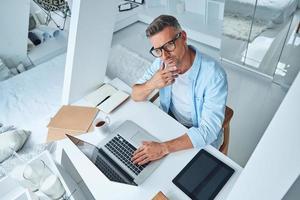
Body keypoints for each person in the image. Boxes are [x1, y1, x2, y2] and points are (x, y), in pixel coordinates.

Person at [131, 15, 228, 166]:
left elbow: (208, 131)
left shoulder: (214, 75)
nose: (164, 56)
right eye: (158, 50)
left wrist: (163, 148)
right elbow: (135, 94)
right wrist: (152, 84)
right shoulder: (160, 63)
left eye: (169, 45)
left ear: (183, 37)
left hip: (200, 135)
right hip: (172, 124)